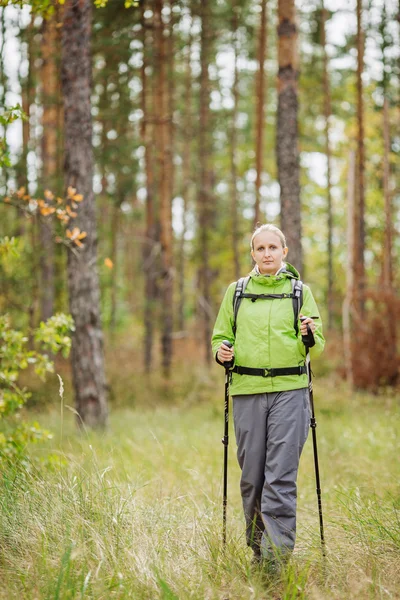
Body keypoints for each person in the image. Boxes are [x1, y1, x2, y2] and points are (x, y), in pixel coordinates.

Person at [211, 223, 325, 570]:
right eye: (260, 249)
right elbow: (220, 337)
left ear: (284, 252)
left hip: (289, 394)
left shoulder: (299, 292)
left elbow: (317, 343)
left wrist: (308, 335)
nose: (267, 254)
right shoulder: (237, 292)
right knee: (252, 479)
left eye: (273, 248)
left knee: (280, 477)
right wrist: (221, 353)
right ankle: (258, 549)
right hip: (247, 392)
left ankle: (275, 563)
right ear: (252, 254)